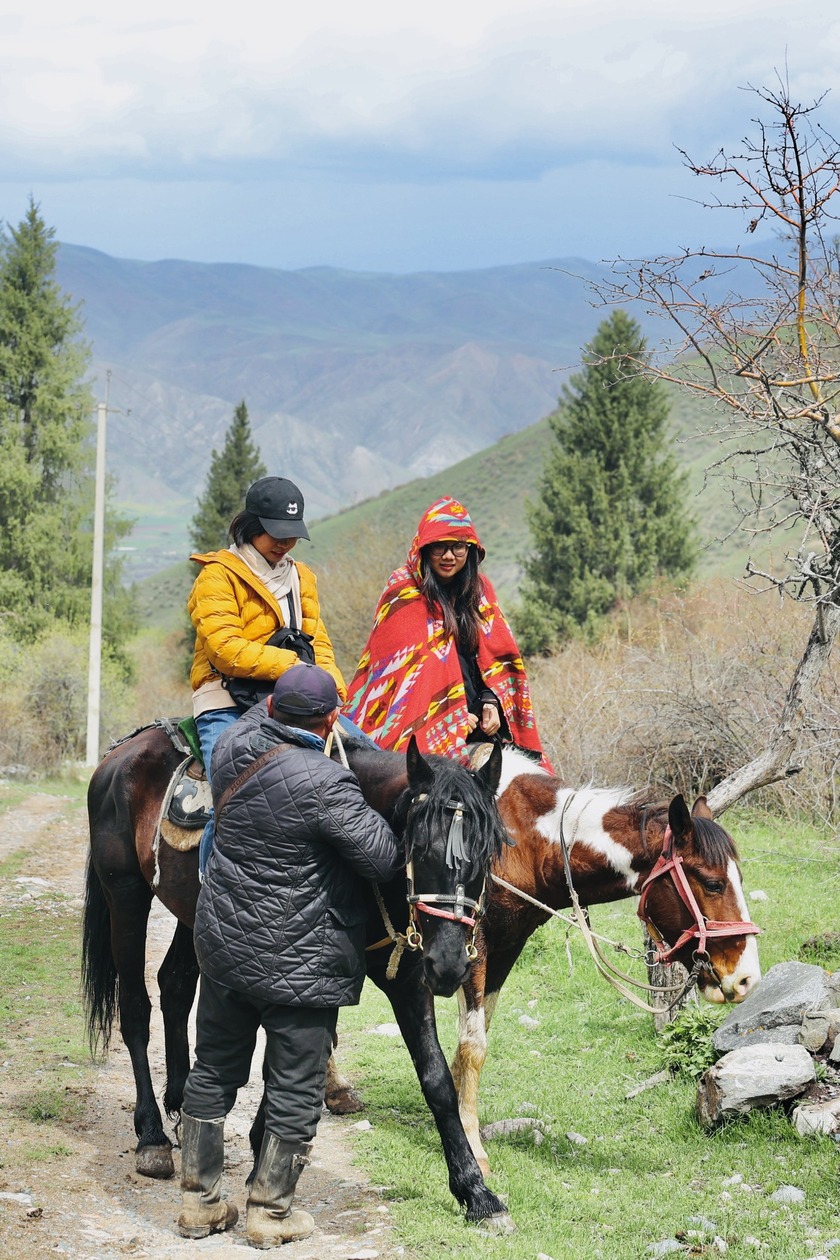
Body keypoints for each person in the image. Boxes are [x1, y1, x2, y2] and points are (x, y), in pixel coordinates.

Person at [177, 663, 402, 1246]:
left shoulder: (229, 747)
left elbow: (261, 717)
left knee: (213, 1070)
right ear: (331, 719)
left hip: (225, 951)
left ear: (273, 708)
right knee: (296, 1087)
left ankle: (200, 1204)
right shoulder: (328, 782)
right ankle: (269, 1213)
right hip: (300, 963)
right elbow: (380, 859)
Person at [187, 475, 346, 874]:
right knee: (230, 792)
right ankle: (211, 883)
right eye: (274, 533)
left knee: (363, 763)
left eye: (292, 535)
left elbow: (318, 642)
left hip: (295, 700)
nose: (284, 543)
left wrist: (332, 689)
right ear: (250, 525)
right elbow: (224, 649)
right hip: (226, 698)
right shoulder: (217, 576)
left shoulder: (302, 577)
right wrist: (295, 669)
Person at [344, 496, 550, 767]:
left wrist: (491, 703)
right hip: (424, 724)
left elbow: (493, 660)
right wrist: (451, 718)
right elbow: (406, 679)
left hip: (479, 719)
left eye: (458, 547)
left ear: (471, 549)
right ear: (424, 549)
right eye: (439, 547)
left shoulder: (480, 590)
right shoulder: (403, 591)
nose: (449, 556)